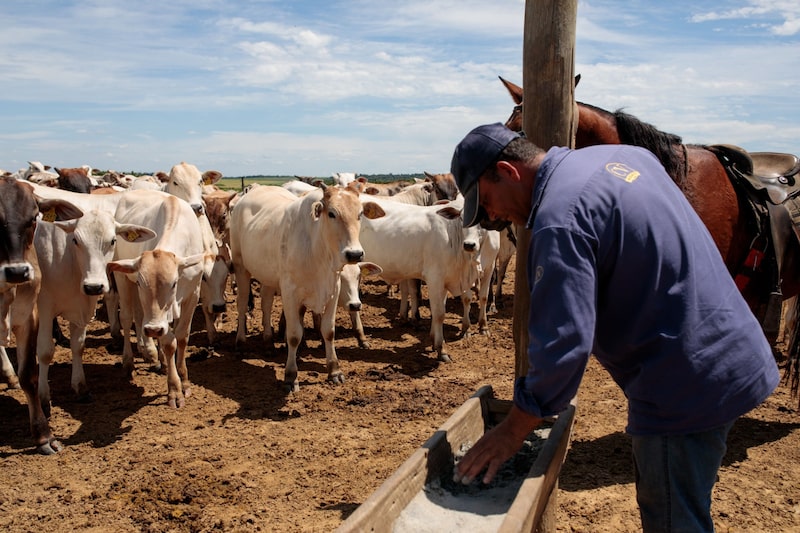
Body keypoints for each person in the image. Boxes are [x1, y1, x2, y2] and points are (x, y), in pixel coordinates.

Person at [449, 123, 780, 532]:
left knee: (674, 519)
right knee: (687, 504)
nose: (493, 218)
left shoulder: (559, 220)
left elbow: (564, 343)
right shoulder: (625, 157)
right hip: (732, 352)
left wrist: (513, 430)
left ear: (507, 171)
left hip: (682, 387)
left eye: (486, 204)